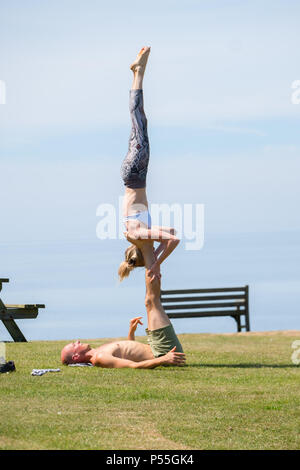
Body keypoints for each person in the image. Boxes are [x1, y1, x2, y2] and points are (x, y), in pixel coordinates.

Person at [119, 46, 180, 283]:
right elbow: (172, 234)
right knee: (140, 122)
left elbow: (173, 241)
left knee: (138, 118)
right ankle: (137, 72)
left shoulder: (138, 235)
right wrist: (156, 255)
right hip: (135, 173)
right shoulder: (142, 239)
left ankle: (139, 72)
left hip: (135, 172)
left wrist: (157, 263)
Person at [61, 267, 185, 369]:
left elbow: (129, 353)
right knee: (152, 301)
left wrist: (131, 332)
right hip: (162, 352)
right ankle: (151, 260)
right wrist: (164, 359)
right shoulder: (100, 358)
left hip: (157, 348)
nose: (77, 341)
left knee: (151, 301)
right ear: (76, 356)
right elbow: (133, 366)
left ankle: (152, 262)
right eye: (74, 344)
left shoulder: (99, 351)